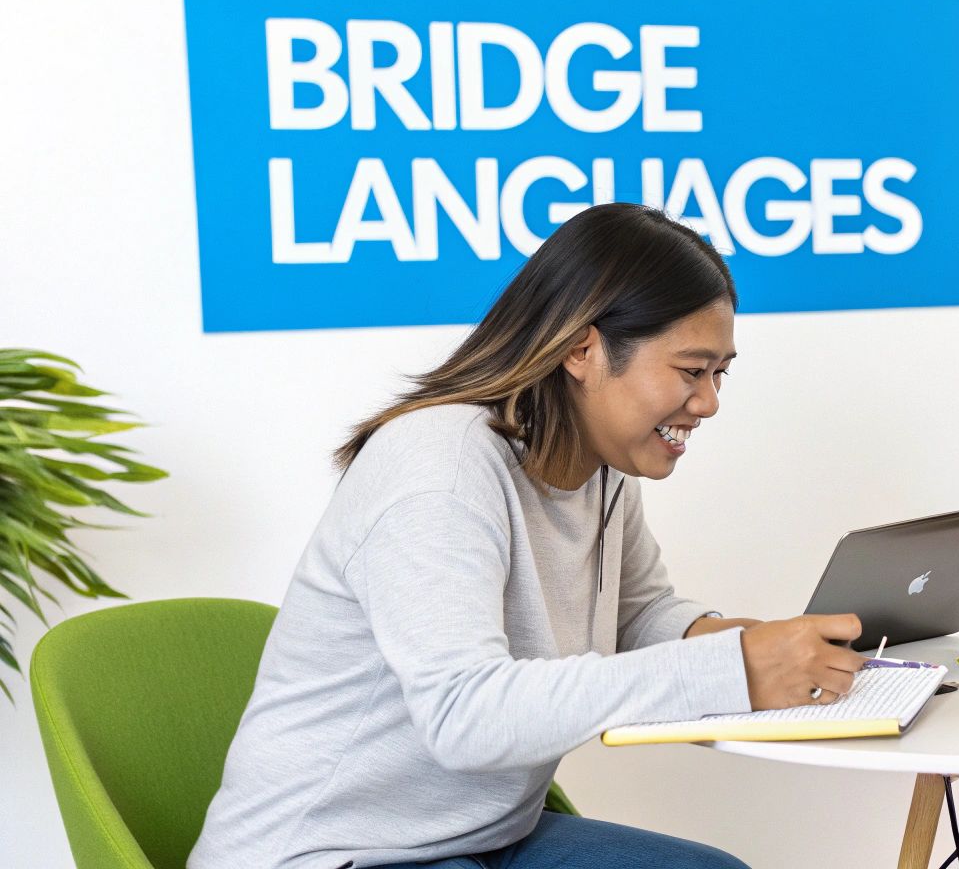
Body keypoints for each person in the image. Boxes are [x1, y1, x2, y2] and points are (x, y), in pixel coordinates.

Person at [190, 204, 867, 869]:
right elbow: (465, 716)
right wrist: (733, 670)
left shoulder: (603, 469)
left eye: (721, 373)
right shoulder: (439, 467)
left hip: (483, 837)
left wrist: (759, 645)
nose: (711, 400)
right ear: (583, 350)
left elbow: (637, 617)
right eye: (692, 370)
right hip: (333, 853)